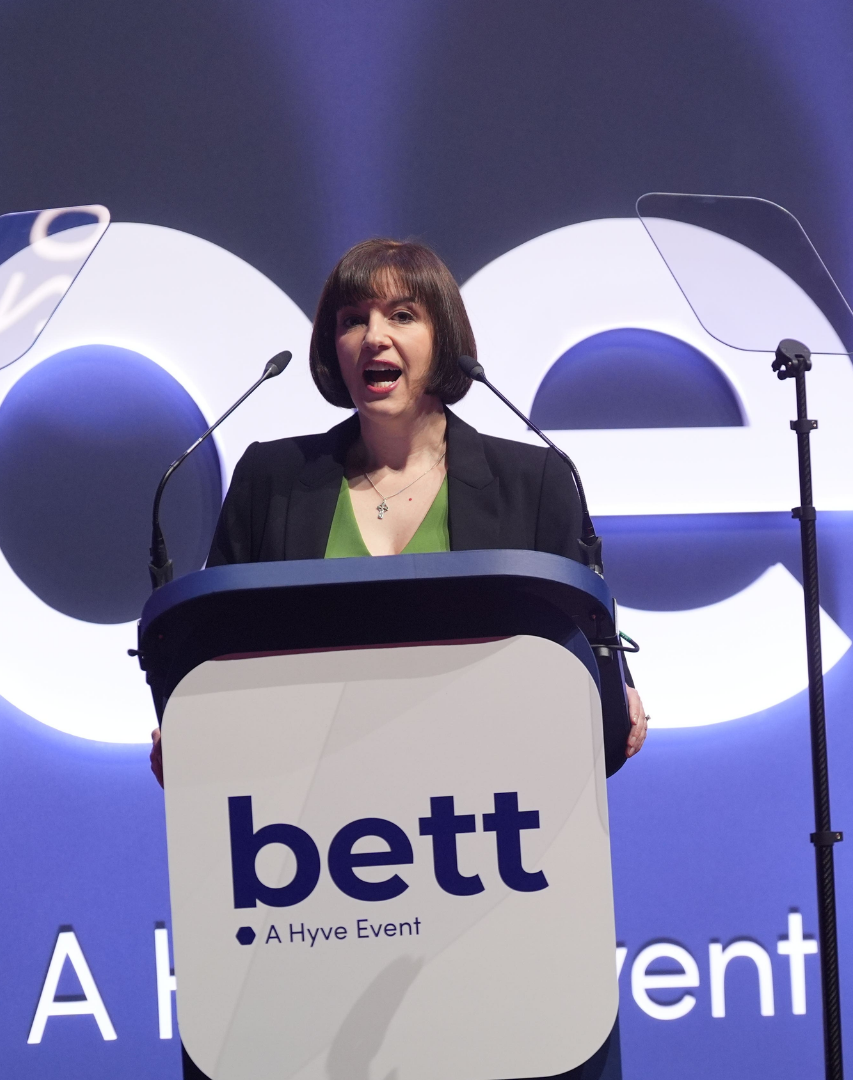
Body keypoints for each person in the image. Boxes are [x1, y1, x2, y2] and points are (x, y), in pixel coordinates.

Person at [156, 239, 641, 1080]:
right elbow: (216, 662)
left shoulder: (535, 481)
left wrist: (615, 697)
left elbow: (586, 689)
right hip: (308, 883)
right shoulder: (273, 481)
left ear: (442, 337)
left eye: (401, 315)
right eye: (352, 320)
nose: (372, 338)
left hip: (487, 884)